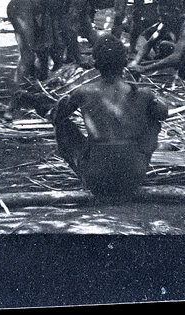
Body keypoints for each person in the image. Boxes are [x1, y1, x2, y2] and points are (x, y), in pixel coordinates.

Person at [52, 33, 169, 199]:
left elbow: (56, 117)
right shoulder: (143, 93)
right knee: (154, 121)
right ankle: (133, 160)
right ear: (124, 62)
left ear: (96, 63)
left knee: (62, 125)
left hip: (97, 180)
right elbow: (163, 114)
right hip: (132, 177)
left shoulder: (84, 92)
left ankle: (84, 175)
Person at [6, 0, 99, 114]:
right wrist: (79, 57)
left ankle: (34, 97)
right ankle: (12, 105)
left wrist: (103, 52)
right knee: (27, 56)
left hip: (32, 9)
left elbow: (88, 29)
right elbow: (70, 30)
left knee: (44, 52)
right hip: (23, 6)